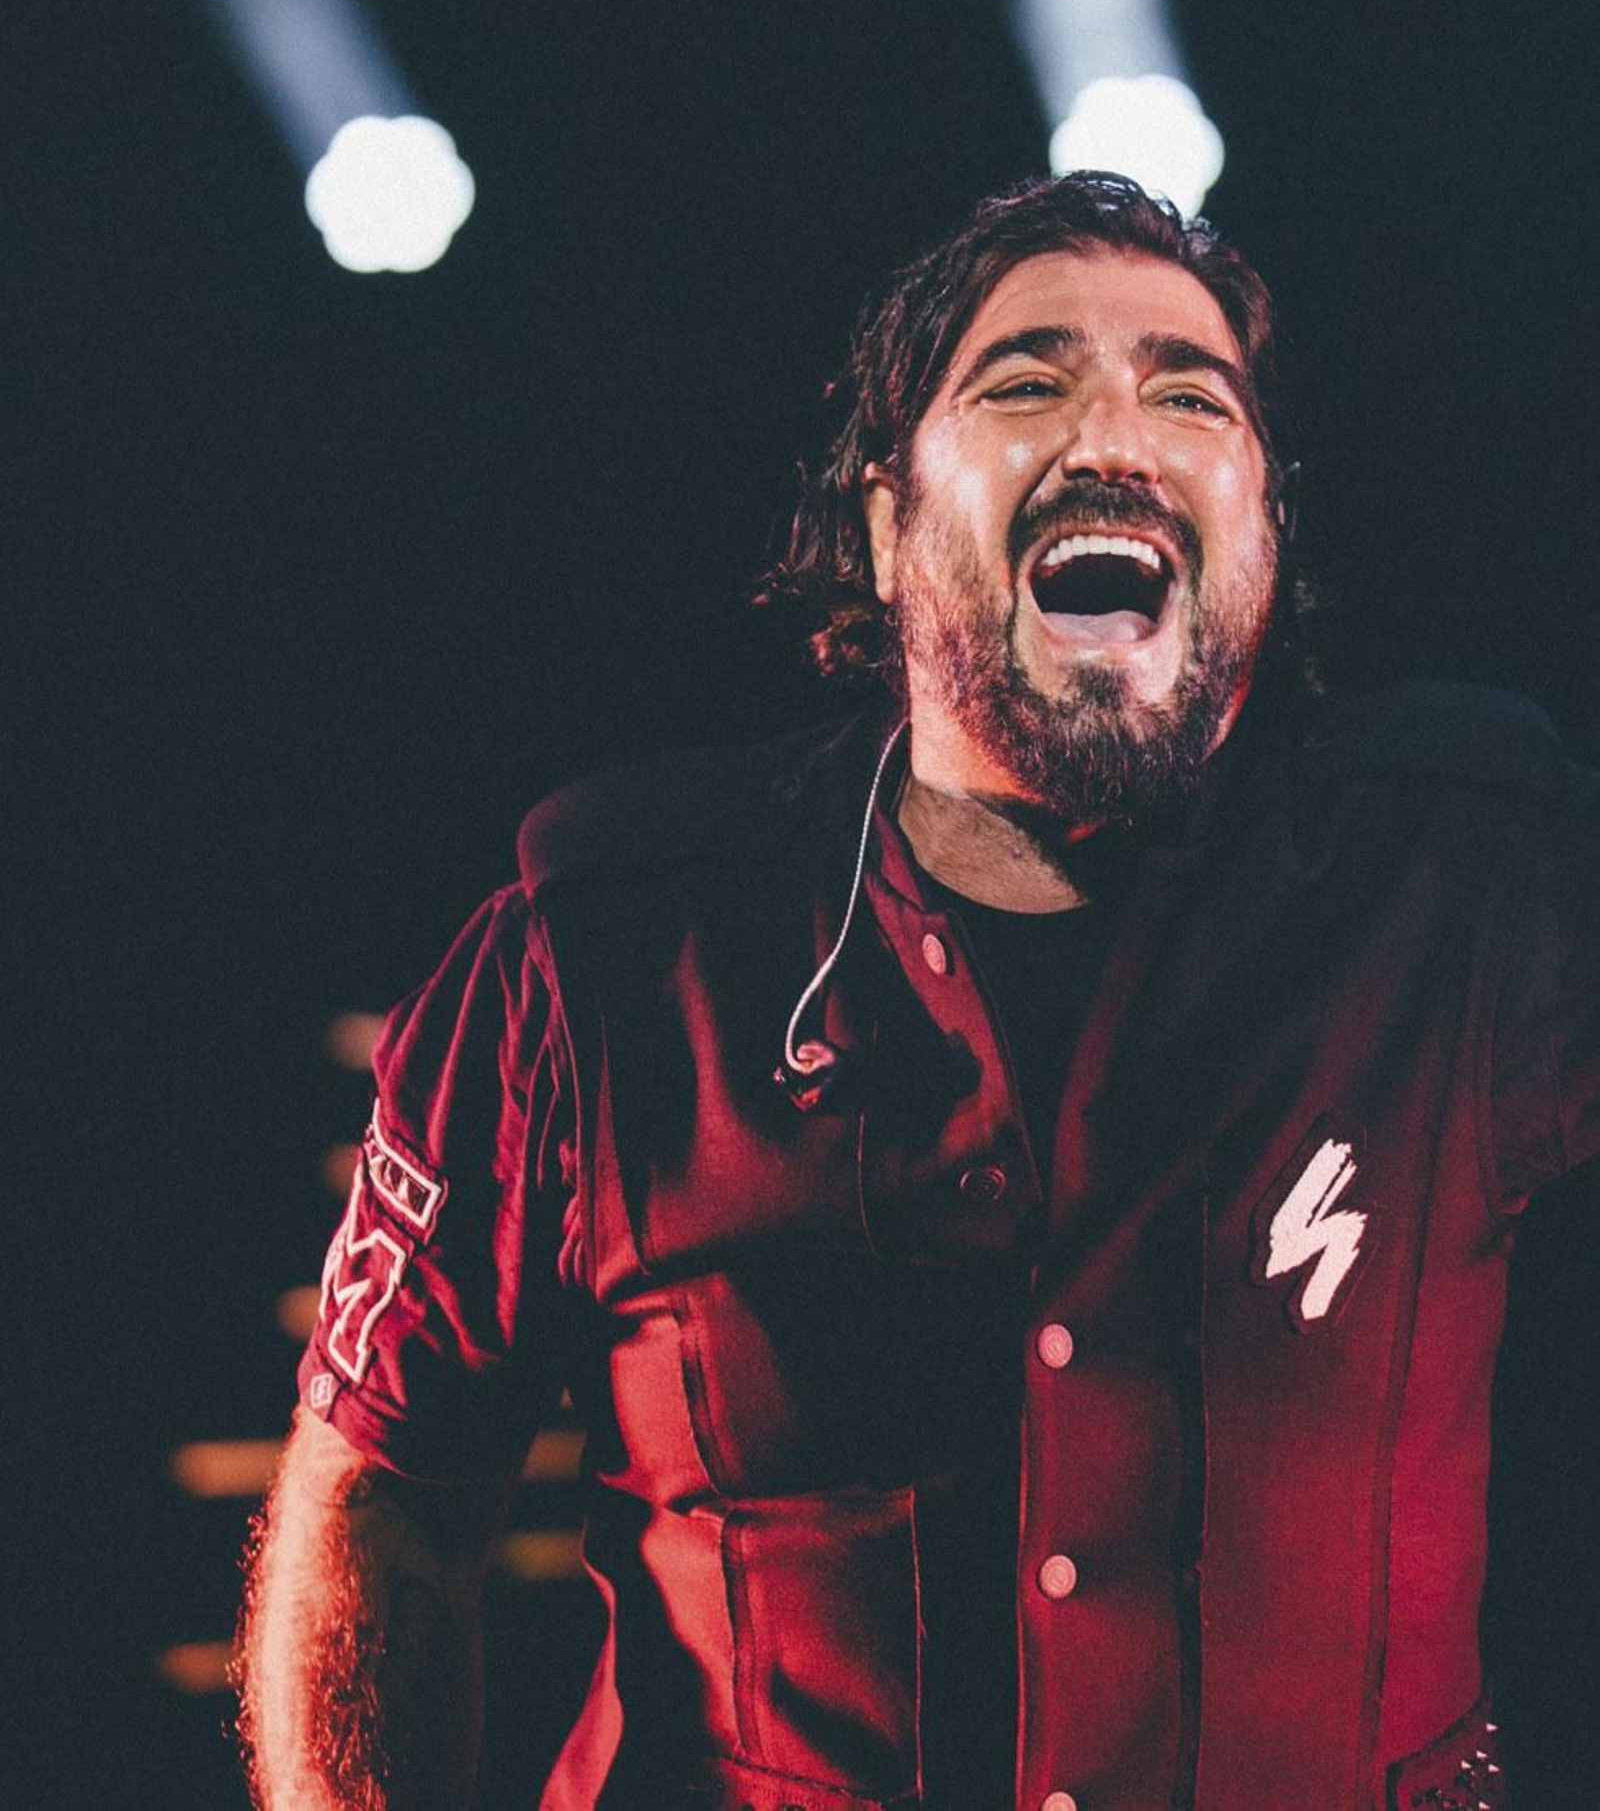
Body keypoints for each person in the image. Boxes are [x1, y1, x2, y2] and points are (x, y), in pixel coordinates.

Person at [239, 172, 1595, 1811]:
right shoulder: (591, 954)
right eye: (1028, 380)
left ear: (1266, 523)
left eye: (1190, 392)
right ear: (888, 531)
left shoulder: (1477, 893)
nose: (1116, 433)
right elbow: (380, 1481)